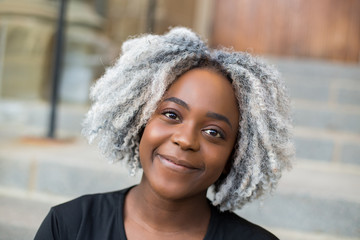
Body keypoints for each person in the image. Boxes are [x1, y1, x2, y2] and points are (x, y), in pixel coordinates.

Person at [35, 27, 294, 240]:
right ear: (140, 121)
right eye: (171, 115)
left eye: (213, 132)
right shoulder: (69, 226)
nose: (185, 140)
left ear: (234, 157)